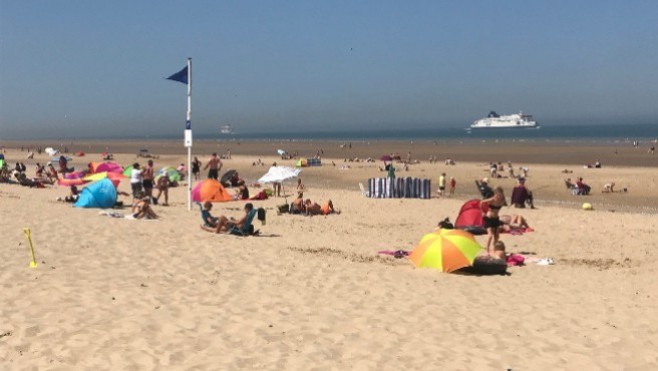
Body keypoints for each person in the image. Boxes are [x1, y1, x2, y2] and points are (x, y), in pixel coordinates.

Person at [481, 186, 507, 253]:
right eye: (497, 194)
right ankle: (487, 250)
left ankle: (494, 248)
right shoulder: (492, 199)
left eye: (499, 194)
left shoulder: (502, 200)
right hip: (489, 218)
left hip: (496, 218)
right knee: (490, 236)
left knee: (497, 236)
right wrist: (482, 212)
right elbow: (481, 202)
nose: (498, 195)